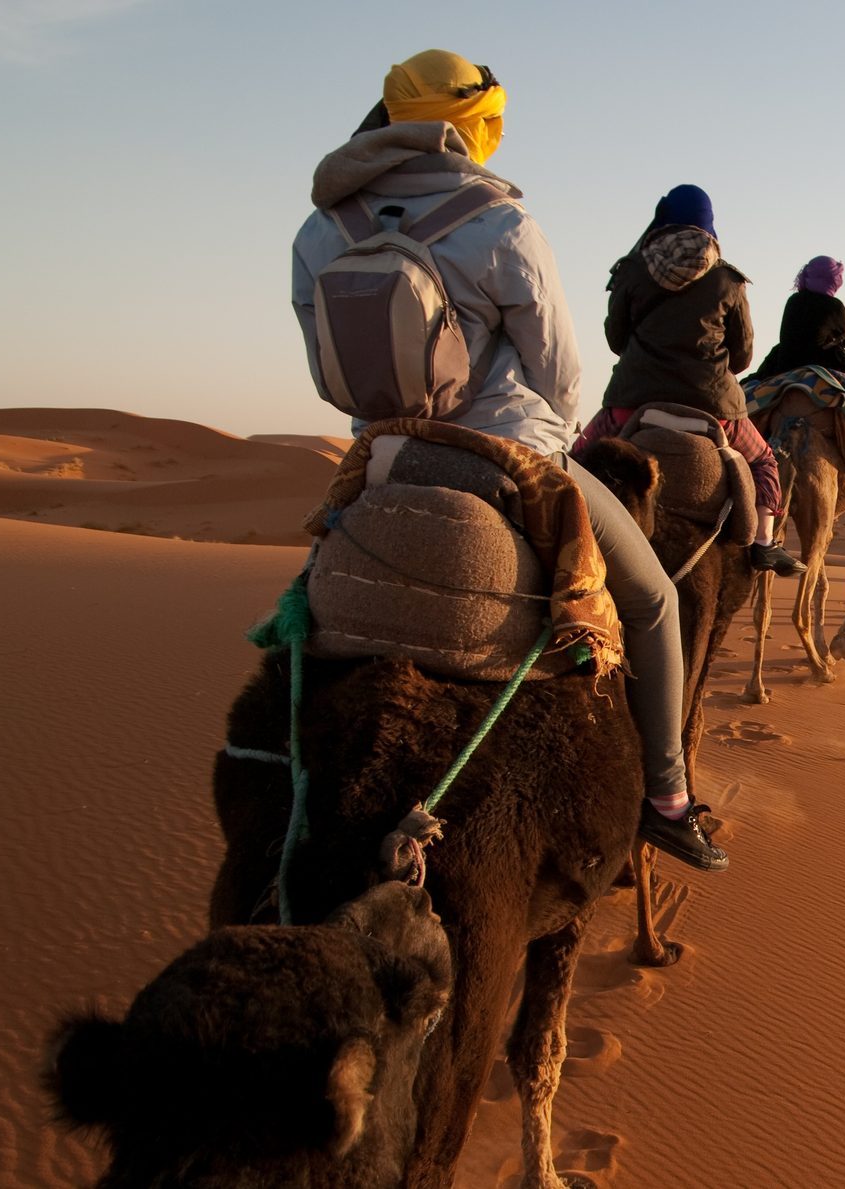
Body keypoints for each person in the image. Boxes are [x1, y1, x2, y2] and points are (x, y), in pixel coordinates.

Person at [290, 50, 726, 872]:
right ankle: (667, 797)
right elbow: (559, 369)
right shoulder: (502, 224)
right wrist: (549, 449)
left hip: (382, 456)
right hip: (509, 451)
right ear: (478, 126)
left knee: (304, 597)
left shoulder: (321, 229)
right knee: (657, 601)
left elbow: (325, 367)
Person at [571, 184, 805, 578]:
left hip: (632, 400)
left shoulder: (632, 270)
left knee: (576, 459)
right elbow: (744, 356)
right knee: (764, 460)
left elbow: (615, 341)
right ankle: (765, 541)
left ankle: (562, 533)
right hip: (714, 407)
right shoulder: (728, 280)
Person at [751, 255, 845, 380]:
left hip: (785, 363)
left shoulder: (793, 300)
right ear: (833, 279)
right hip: (822, 365)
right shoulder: (835, 306)